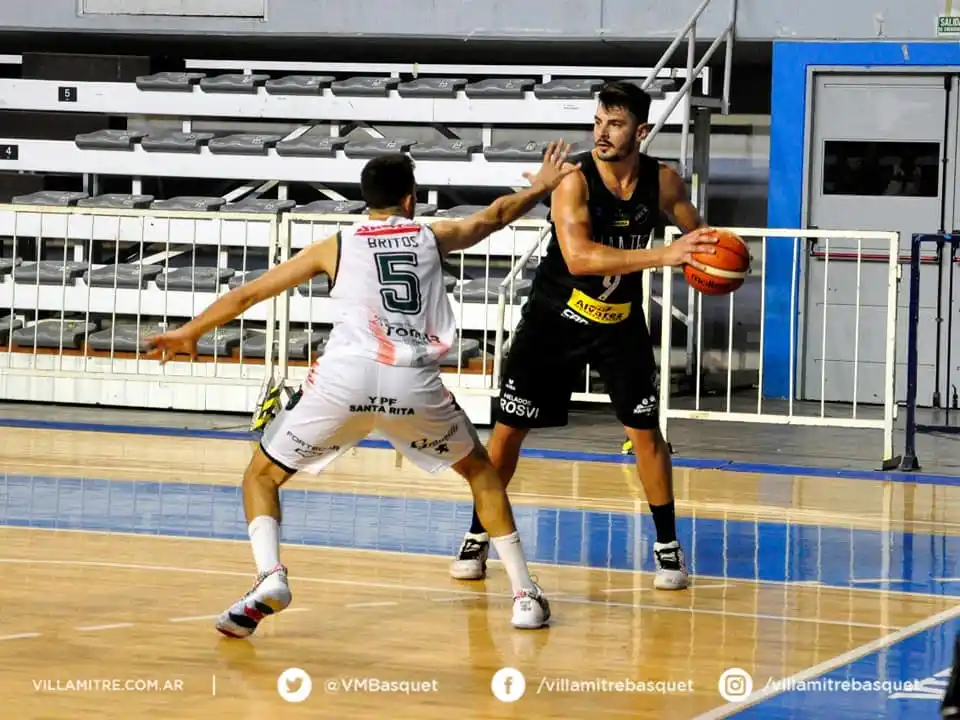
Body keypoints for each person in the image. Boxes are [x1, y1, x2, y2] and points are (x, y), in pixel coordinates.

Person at [144, 141, 581, 634]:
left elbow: (249, 293)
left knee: (261, 476)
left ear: (363, 199)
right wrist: (542, 186)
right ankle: (524, 595)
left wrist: (190, 331)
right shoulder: (431, 235)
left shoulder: (336, 244)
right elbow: (497, 215)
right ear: (411, 199)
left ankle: (270, 576)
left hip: (342, 380)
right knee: (481, 473)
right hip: (411, 380)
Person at [449, 80, 718, 591]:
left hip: (620, 322)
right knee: (508, 433)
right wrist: (664, 256)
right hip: (555, 320)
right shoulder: (573, 178)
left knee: (647, 434)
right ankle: (478, 533)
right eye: (597, 122)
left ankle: (667, 547)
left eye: (614, 124)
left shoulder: (662, 181)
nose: (602, 132)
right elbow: (579, 257)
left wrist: (714, 256)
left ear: (640, 131)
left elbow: (697, 234)